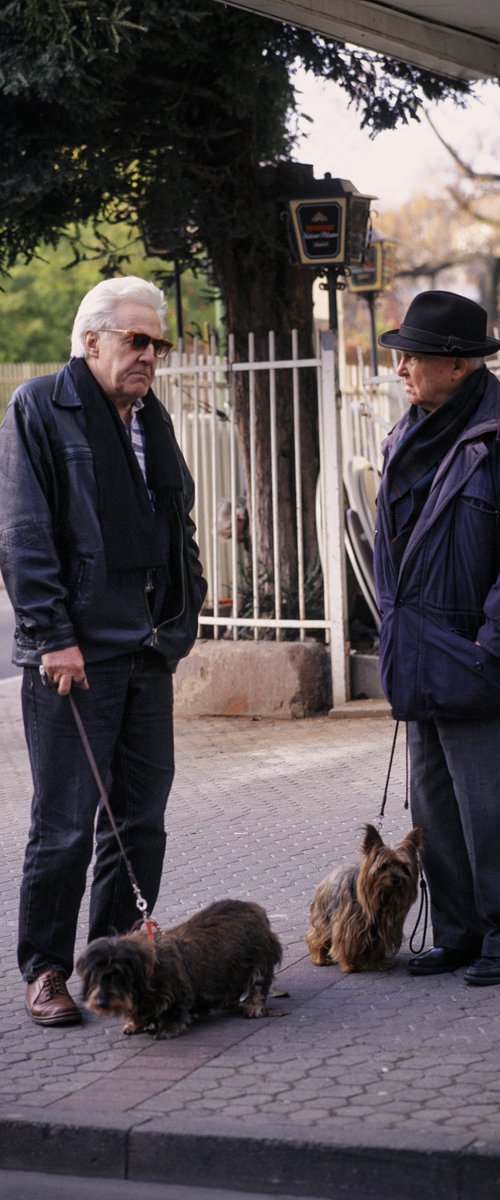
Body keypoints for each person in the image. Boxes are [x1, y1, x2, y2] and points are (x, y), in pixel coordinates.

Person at [0, 275, 207, 1025]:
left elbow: (176, 518)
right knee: (63, 825)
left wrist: (184, 612)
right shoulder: (39, 409)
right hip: (75, 657)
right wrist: (53, 638)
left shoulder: (152, 416)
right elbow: (24, 535)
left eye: (159, 343)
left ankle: (116, 964)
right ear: (91, 342)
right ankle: (48, 971)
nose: (151, 354)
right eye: (136, 340)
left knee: (139, 821)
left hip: (148, 649)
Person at [374, 289, 500, 986]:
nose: (400, 368)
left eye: (412, 356)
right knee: (435, 808)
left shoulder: (493, 434)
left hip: (474, 655)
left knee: (490, 807)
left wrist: (490, 644)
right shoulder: (406, 434)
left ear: (457, 366)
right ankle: (458, 932)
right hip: (417, 651)